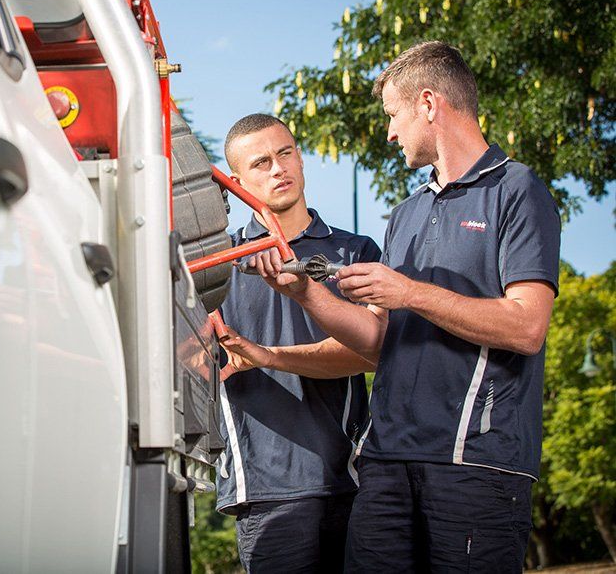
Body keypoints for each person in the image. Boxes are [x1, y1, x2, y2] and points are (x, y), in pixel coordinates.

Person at [229, 41, 560, 573]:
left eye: (392, 115)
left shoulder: (517, 190)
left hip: (474, 462)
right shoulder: (405, 214)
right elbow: (381, 346)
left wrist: (407, 292)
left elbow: (526, 327)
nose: (389, 132)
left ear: (428, 105)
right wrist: (306, 293)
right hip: (383, 466)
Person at [216, 113, 382, 573]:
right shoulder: (216, 267)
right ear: (235, 181)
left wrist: (267, 357)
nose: (277, 169)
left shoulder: (357, 252)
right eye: (261, 162)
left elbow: (370, 353)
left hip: (356, 478)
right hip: (265, 490)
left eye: (285, 153)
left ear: (302, 158)